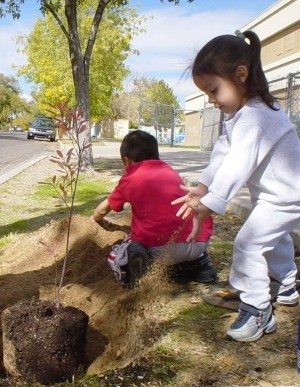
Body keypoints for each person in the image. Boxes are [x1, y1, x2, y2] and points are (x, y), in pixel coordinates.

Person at [172, 30, 300, 342]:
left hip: (286, 195)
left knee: (248, 243)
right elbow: (222, 154)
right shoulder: (242, 114)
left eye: (214, 90)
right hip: (279, 194)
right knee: (273, 237)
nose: (211, 101)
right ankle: (285, 285)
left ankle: (257, 310)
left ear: (240, 74)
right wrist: (203, 186)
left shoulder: (255, 117)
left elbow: (238, 164)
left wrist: (212, 200)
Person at [91, 130, 216, 288]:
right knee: (184, 234)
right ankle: (202, 266)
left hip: (158, 249)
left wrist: (93, 219)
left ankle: (136, 269)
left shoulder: (129, 178)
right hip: (198, 241)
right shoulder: (170, 171)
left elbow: (103, 209)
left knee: (120, 251)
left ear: (126, 160)